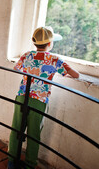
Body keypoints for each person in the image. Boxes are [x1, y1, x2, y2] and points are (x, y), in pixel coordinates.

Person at [8, 26, 79, 169]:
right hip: (39, 101)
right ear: (50, 44)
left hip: (22, 97)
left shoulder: (27, 55)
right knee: (34, 134)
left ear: (34, 43)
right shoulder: (54, 59)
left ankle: (11, 162)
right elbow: (76, 75)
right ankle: (29, 164)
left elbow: (16, 68)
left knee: (16, 129)